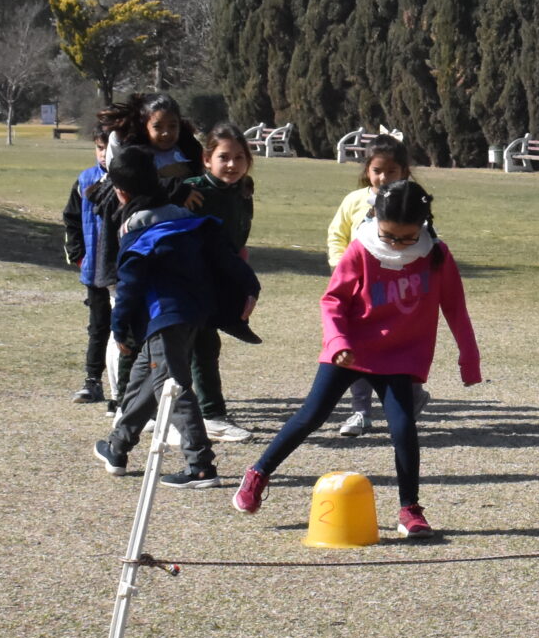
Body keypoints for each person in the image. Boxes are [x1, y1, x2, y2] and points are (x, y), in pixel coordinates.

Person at [233, 177, 482, 537]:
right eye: (390, 236)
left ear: (423, 225)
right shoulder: (362, 250)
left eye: (407, 237)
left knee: (403, 428)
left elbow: (456, 310)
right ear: (375, 220)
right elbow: (332, 301)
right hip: (350, 349)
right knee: (311, 415)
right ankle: (257, 474)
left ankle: (410, 509)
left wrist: (469, 360)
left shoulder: (436, 256)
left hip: (399, 356)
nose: (397, 244)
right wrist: (337, 343)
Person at [95, 150, 261, 489]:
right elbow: (226, 256)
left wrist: (119, 329)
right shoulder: (184, 217)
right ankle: (118, 446)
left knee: (173, 386)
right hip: (194, 314)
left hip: (165, 319)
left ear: (120, 192)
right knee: (145, 377)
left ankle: (200, 465)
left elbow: (129, 286)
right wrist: (250, 286)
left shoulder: (136, 230)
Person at [324, 141, 414, 437]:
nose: (384, 177)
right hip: (356, 289)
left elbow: (424, 239)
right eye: (378, 170)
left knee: (396, 348)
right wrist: (339, 265)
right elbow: (337, 233)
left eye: (392, 171)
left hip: (396, 292)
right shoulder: (354, 201)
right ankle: (360, 412)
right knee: (356, 350)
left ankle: (413, 396)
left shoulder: (411, 200)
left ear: (405, 171)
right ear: (367, 170)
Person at [186, 125, 257, 445]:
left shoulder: (242, 193)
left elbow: (239, 243)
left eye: (239, 157)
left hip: (222, 281)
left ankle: (149, 409)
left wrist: (242, 280)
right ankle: (212, 415)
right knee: (200, 345)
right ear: (206, 159)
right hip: (189, 280)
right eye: (223, 157)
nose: (232, 164)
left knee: (202, 345)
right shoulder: (192, 191)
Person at [60, 130, 121, 404]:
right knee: (98, 327)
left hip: (121, 272)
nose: (104, 154)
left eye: (108, 148)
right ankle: (92, 381)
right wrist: (79, 256)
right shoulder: (85, 180)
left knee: (124, 330)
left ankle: (124, 392)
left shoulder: (130, 180)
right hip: (94, 269)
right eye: (99, 148)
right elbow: (71, 220)